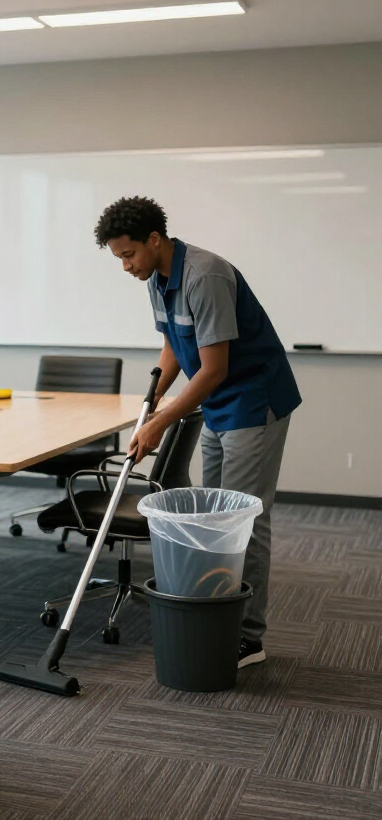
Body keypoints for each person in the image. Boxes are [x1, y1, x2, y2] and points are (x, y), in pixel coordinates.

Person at [94, 196, 300, 668]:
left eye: (128, 255)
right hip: (217, 403)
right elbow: (171, 345)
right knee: (216, 516)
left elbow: (214, 369)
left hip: (253, 401)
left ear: (153, 239)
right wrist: (150, 402)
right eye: (118, 258)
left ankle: (249, 635)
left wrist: (160, 421)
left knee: (246, 518)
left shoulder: (205, 275)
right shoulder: (156, 277)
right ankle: (219, 613)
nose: (125, 266)